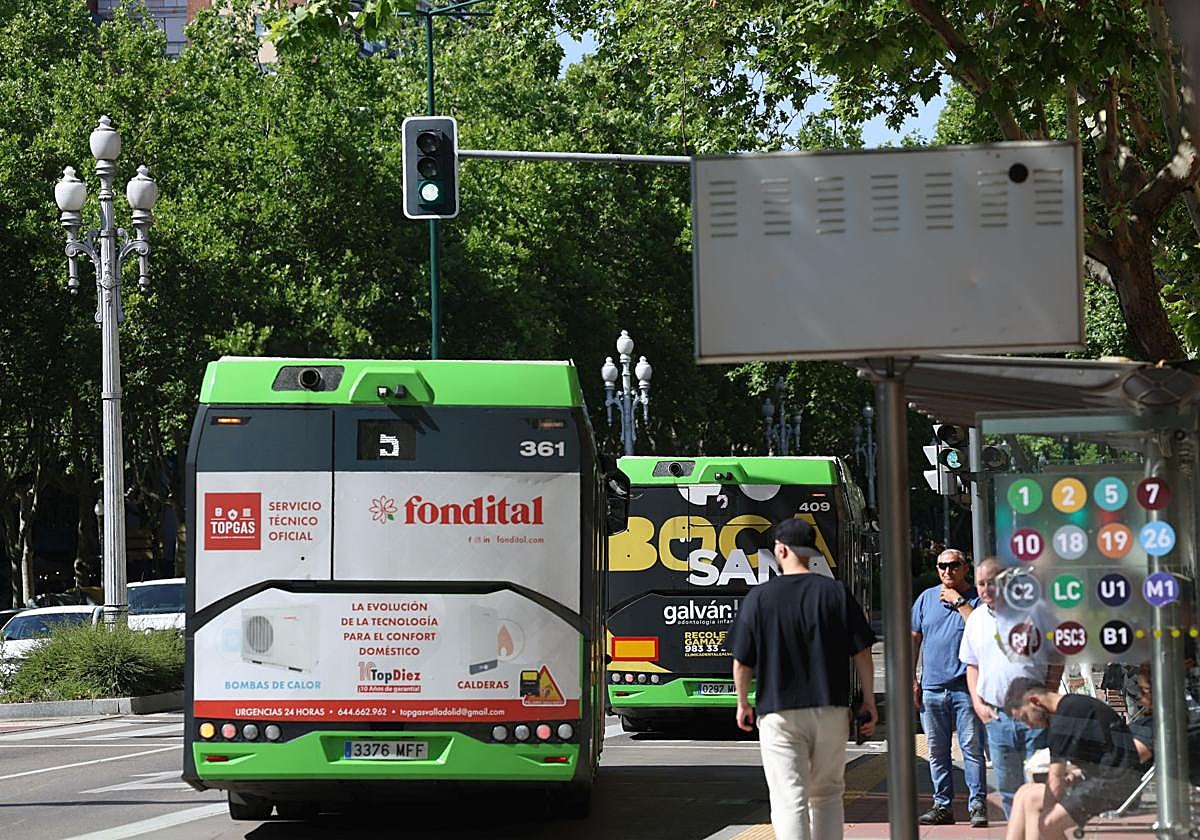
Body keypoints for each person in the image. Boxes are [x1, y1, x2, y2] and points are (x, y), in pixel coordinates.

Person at [730, 518, 878, 840]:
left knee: (789, 799)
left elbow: (742, 661)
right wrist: (868, 699)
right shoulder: (836, 593)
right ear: (811, 553)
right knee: (826, 794)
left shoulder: (759, 598)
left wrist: (743, 703)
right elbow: (862, 652)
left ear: (781, 550)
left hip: (779, 710)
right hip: (831, 709)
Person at [958, 557, 1062, 818]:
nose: (984, 589)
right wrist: (978, 704)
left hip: (1034, 716)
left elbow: (1057, 655)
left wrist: (1048, 697)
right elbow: (972, 665)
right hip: (997, 717)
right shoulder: (977, 618)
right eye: (980, 583)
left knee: (1039, 787)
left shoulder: (1036, 611)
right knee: (1009, 791)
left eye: (990, 583)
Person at [1002, 678, 1151, 840]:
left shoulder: (1064, 719)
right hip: (1105, 780)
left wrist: (1046, 814)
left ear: (1035, 701)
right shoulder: (1072, 706)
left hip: (1114, 786)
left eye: (1025, 717)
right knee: (1024, 793)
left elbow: (1055, 780)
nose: (1028, 725)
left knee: (1045, 820)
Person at [911, 548, 987, 827]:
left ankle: (977, 804)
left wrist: (959, 603)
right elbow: (914, 639)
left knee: (971, 747)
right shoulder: (926, 599)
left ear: (965, 567)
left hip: (965, 689)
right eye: (941, 565)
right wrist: (912, 679)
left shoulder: (977, 601)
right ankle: (942, 805)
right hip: (932, 688)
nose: (947, 571)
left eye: (953, 565)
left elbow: (980, 631)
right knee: (936, 749)